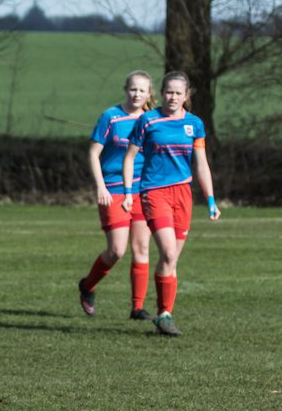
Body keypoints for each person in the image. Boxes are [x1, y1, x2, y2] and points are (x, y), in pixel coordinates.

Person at [121, 71, 221, 337]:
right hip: (154, 192)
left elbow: (201, 163)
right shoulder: (147, 120)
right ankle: (164, 315)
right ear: (161, 93)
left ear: (186, 96)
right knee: (167, 252)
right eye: (168, 92)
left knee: (172, 259)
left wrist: (210, 198)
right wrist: (129, 192)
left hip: (183, 195)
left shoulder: (195, 124)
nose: (173, 97)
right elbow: (130, 158)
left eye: (178, 93)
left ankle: (164, 314)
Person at [78, 71, 155, 320]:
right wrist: (100, 187)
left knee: (141, 247)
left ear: (149, 94)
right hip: (113, 190)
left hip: (141, 191)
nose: (136, 94)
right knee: (117, 251)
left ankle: (137, 308)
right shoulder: (110, 117)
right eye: (133, 89)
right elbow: (93, 154)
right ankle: (87, 286)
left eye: (142, 91)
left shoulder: (152, 119)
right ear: (126, 89)